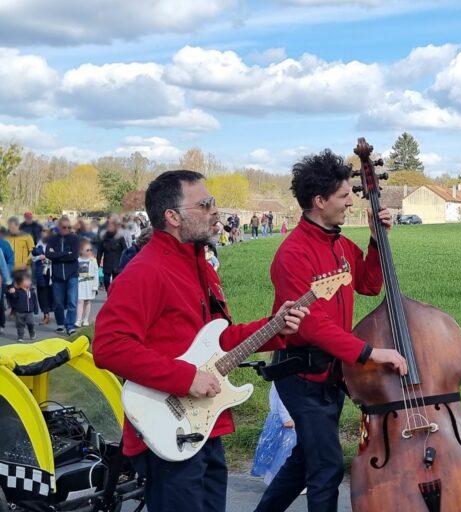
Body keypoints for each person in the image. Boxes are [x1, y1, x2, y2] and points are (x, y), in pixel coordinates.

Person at [93, 170, 309, 512]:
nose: (215, 211)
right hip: (167, 430)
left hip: (205, 423)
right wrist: (186, 378)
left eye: (214, 203)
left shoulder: (202, 268)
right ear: (173, 217)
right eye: (205, 204)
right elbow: (109, 346)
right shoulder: (145, 271)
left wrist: (275, 328)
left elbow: (219, 341)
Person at [255, 149, 407, 512]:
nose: (351, 201)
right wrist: (369, 353)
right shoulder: (293, 254)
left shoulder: (339, 244)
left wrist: (375, 240)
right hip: (302, 375)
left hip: (333, 373)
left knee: (306, 460)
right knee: (325, 469)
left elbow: (369, 284)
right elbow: (309, 323)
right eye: (344, 195)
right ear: (319, 201)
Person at [251, 384, 297, 486]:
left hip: (290, 416)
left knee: (284, 451)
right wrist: (286, 418)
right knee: (286, 451)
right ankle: (281, 481)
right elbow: (283, 394)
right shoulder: (286, 371)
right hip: (286, 419)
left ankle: (281, 481)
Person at [45, 216, 81, 335]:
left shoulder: (74, 239)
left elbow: (74, 256)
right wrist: (66, 253)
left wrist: (57, 254)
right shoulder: (52, 239)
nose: (66, 229)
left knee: (72, 301)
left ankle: (70, 325)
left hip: (72, 275)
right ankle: (60, 323)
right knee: (58, 303)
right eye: (64, 227)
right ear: (59, 227)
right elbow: (48, 254)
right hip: (57, 276)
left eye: (69, 227)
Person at [97, 220, 127, 293]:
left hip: (117, 263)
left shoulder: (120, 238)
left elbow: (125, 250)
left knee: (116, 282)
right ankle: (109, 292)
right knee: (106, 280)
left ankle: (114, 294)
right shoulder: (103, 238)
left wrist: (125, 263)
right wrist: (97, 263)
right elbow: (100, 251)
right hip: (107, 263)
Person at [7, 273, 38, 342]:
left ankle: (32, 332)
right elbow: (13, 297)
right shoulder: (18, 292)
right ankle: (20, 336)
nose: (28, 282)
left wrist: (36, 310)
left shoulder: (32, 292)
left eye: (29, 280)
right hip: (19, 312)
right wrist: (11, 292)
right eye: (26, 280)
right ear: (20, 283)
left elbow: (34, 301)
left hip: (29, 312)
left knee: (30, 323)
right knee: (20, 325)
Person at [31, 229, 53, 325]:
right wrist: (38, 257)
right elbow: (32, 256)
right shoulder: (38, 245)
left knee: (53, 294)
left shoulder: (54, 244)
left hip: (52, 272)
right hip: (41, 273)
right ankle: (46, 315)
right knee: (42, 294)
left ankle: (57, 314)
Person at [75, 240, 99, 327]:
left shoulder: (93, 260)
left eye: (90, 250)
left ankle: (85, 319)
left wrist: (95, 286)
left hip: (90, 283)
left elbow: (96, 273)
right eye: (87, 250)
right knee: (80, 301)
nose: (89, 252)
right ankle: (78, 320)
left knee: (87, 301)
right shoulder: (77, 260)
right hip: (80, 283)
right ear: (81, 251)